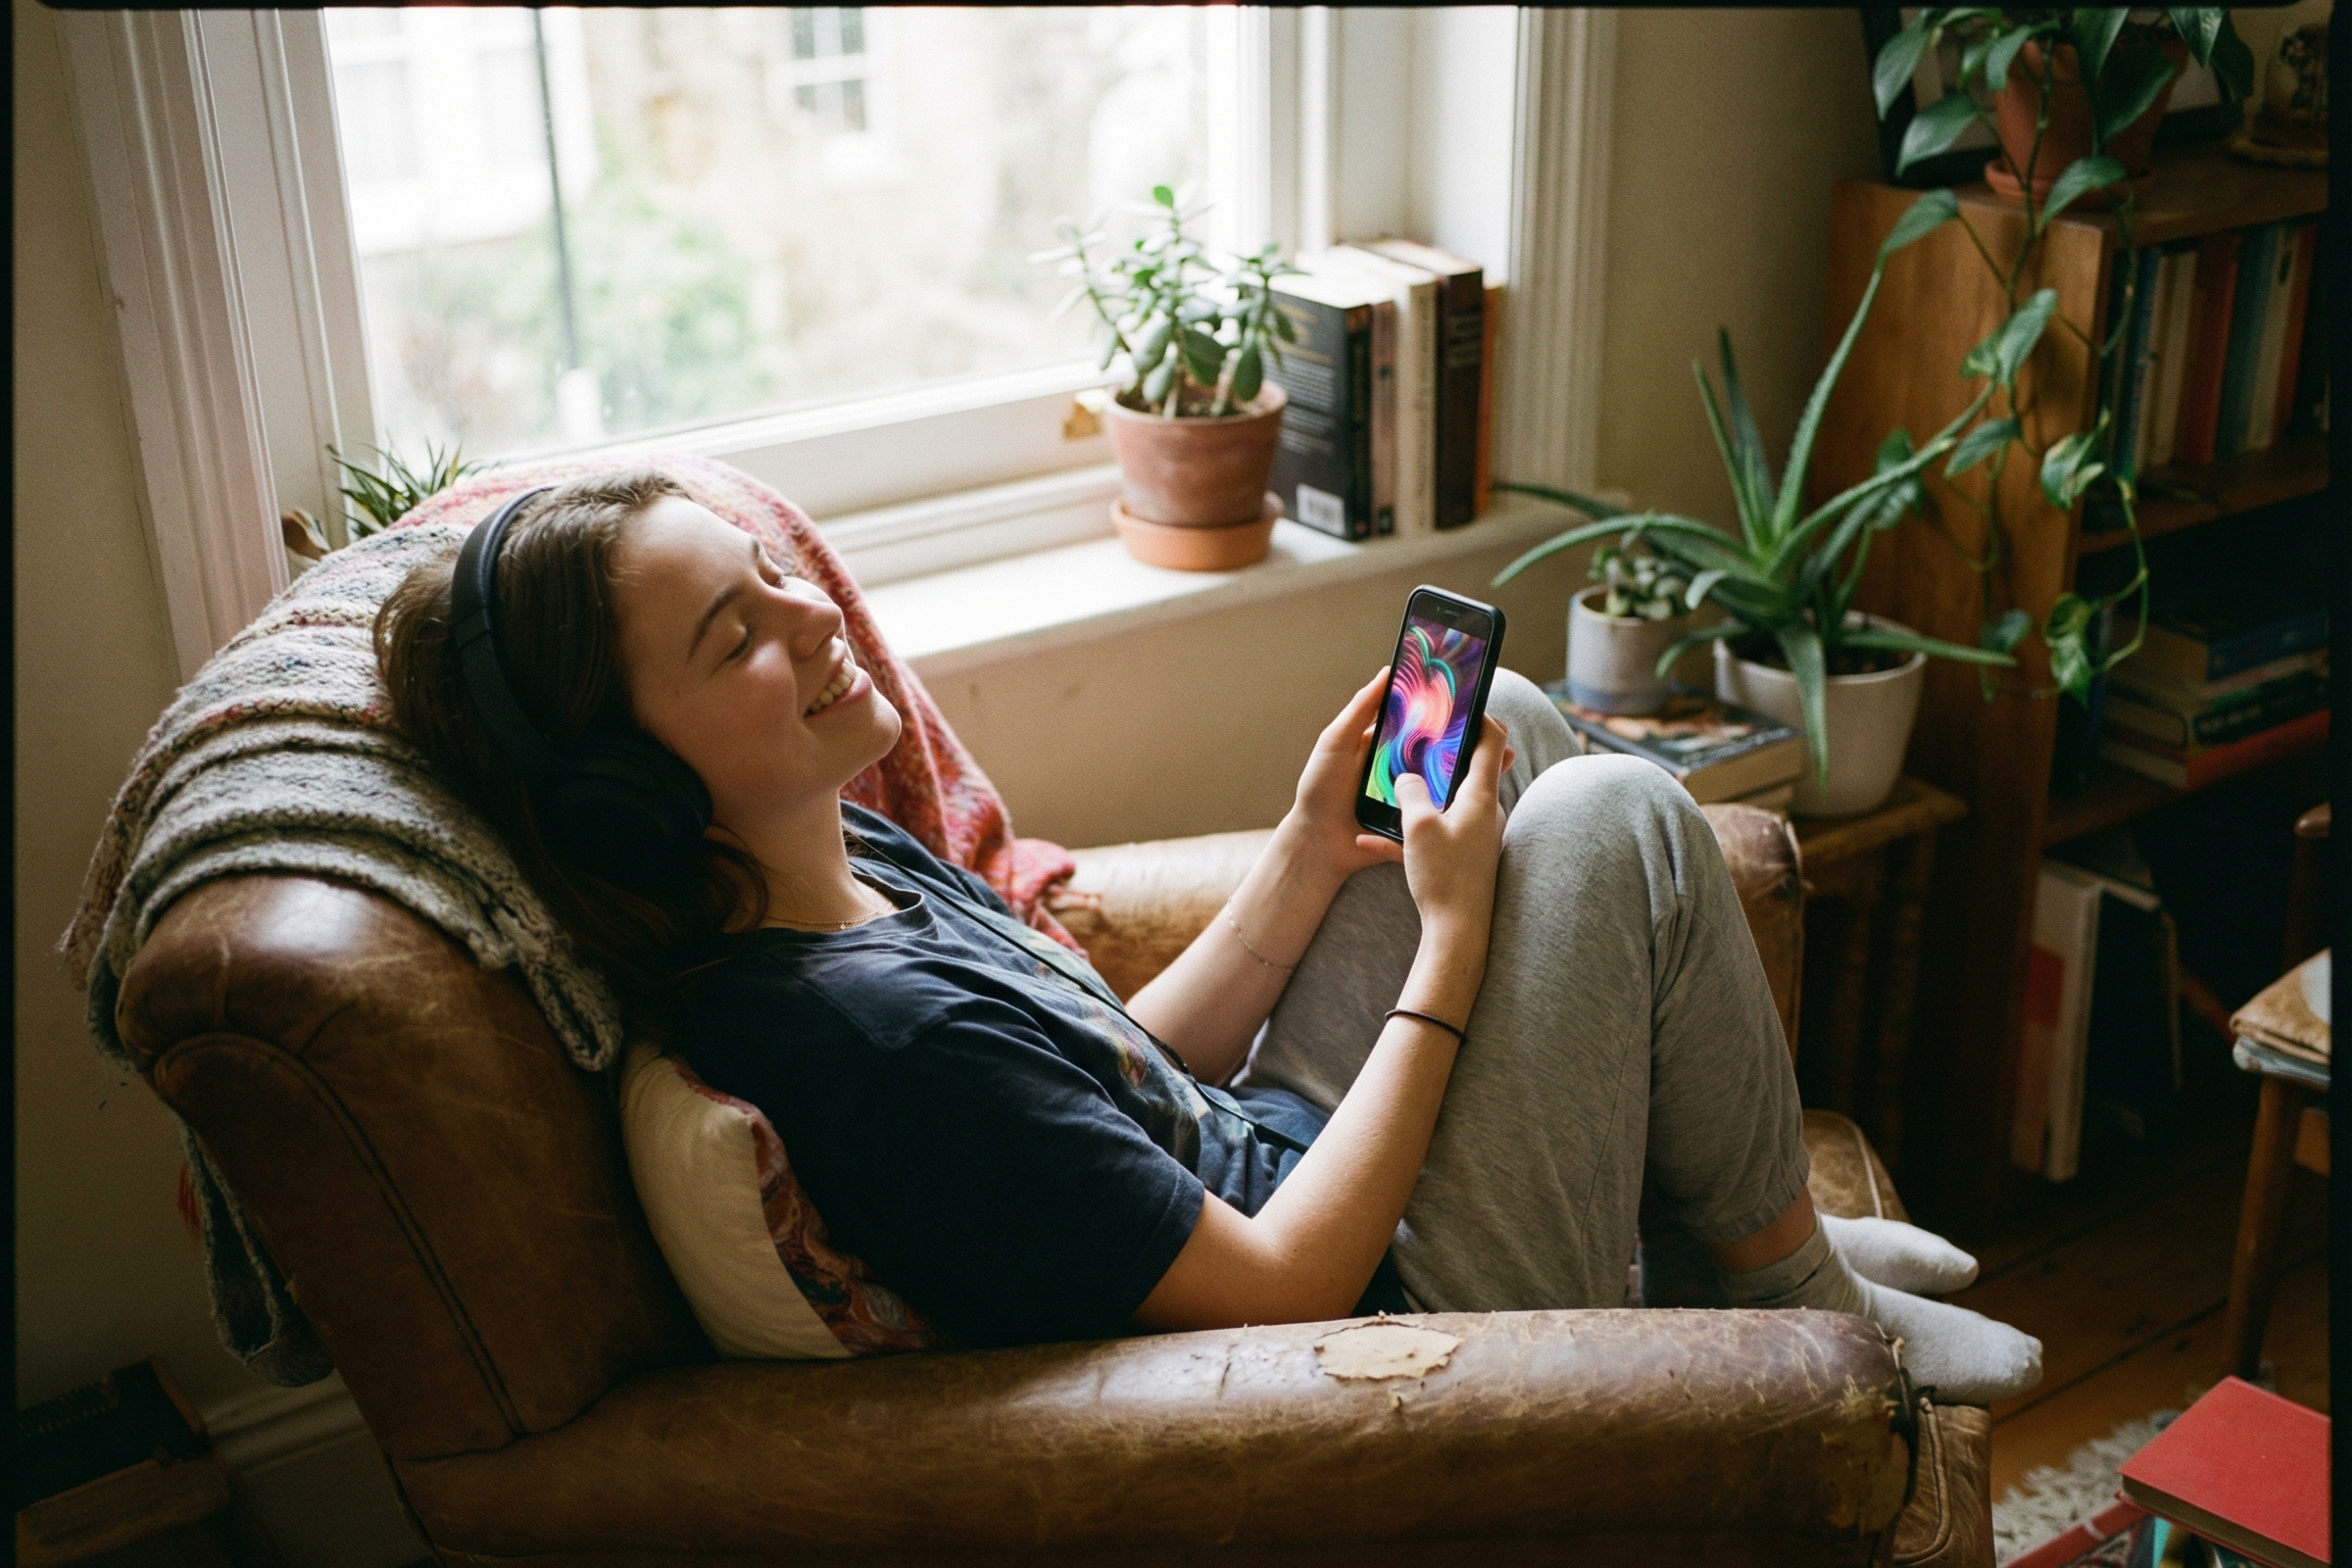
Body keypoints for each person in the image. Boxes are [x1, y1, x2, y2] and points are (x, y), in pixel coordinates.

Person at [375, 470, 2042, 1402]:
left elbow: (1132, 1065)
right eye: (737, 632)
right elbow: (1282, 1284)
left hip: (1277, 1152)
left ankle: (1727, 1252)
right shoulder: (876, 1051)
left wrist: (1310, 863)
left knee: (1501, 721)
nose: (815, 614)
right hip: (1373, 1325)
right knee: (1618, 825)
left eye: (770, 573)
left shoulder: (834, 854)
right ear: (620, 793)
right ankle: (1796, 1290)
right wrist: (1445, 948)